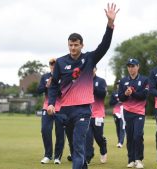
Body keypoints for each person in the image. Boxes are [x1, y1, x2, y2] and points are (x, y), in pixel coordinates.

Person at [47, 3, 119, 169]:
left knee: (79, 146)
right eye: (70, 45)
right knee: (74, 148)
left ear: (82, 45)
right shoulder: (60, 62)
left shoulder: (89, 59)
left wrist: (110, 25)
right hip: (65, 111)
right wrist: (51, 103)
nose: (73, 48)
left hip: (83, 110)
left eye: (76, 45)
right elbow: (53, 86)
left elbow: (104, 46)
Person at [118, 58, 148, 169]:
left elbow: (143, 96)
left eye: (133, 66)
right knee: (130, 136)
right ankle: (131, 159)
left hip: (139, 112)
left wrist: (133, 93)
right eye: (129, 66)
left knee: (138, 135)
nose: (131, 68)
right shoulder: (123, 81)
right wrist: (126, 94)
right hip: (127, 112)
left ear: (138, 67)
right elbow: (121, 98)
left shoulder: (145, 80)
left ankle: (139, 159)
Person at [37, 58, 65, 164]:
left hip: (61, 108)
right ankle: (47, 155)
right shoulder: (45, 77)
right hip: (47, 107)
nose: (53, 66)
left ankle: (57, 157)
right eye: (51, 64)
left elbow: (64, 93)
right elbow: (38, 90)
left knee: (60, 133)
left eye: (55, 64)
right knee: (45, 130)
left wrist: (54, 86)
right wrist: (46, 86)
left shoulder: (63, 76)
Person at [85, 67, 108, 164]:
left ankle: (103, 148)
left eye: (92, 68)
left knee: (98, 136)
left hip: (98, 114)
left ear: (95, 69)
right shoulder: (83, 81)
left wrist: (92, 87)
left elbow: (103, 94)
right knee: (88, 137)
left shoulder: (101, 81)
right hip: (86, 114)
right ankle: (88, 157)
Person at [109, 80, 125, 148]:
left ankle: (121, 142)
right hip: (116, 112)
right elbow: (111, 103)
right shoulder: (114, 93)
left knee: (122, 127)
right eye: (118, 84)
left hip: (123, 111)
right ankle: (119, 141)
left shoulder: (125, 92)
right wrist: (117, 100)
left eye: (120, 84)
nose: (118, 85)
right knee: (118, 127)